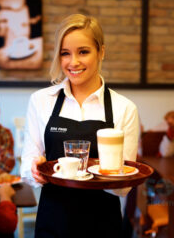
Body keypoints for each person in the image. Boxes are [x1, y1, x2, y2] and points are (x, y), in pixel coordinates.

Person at [21, 14, 140, 238]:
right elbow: (28, 163)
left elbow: (124, 188)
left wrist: (101, 173)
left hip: (103, 224)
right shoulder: (41, 101)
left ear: (101, 52)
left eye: (83, 51)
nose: (73, 62)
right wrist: (35, 169)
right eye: (65, 53)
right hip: (53, 221)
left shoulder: (124, 108)